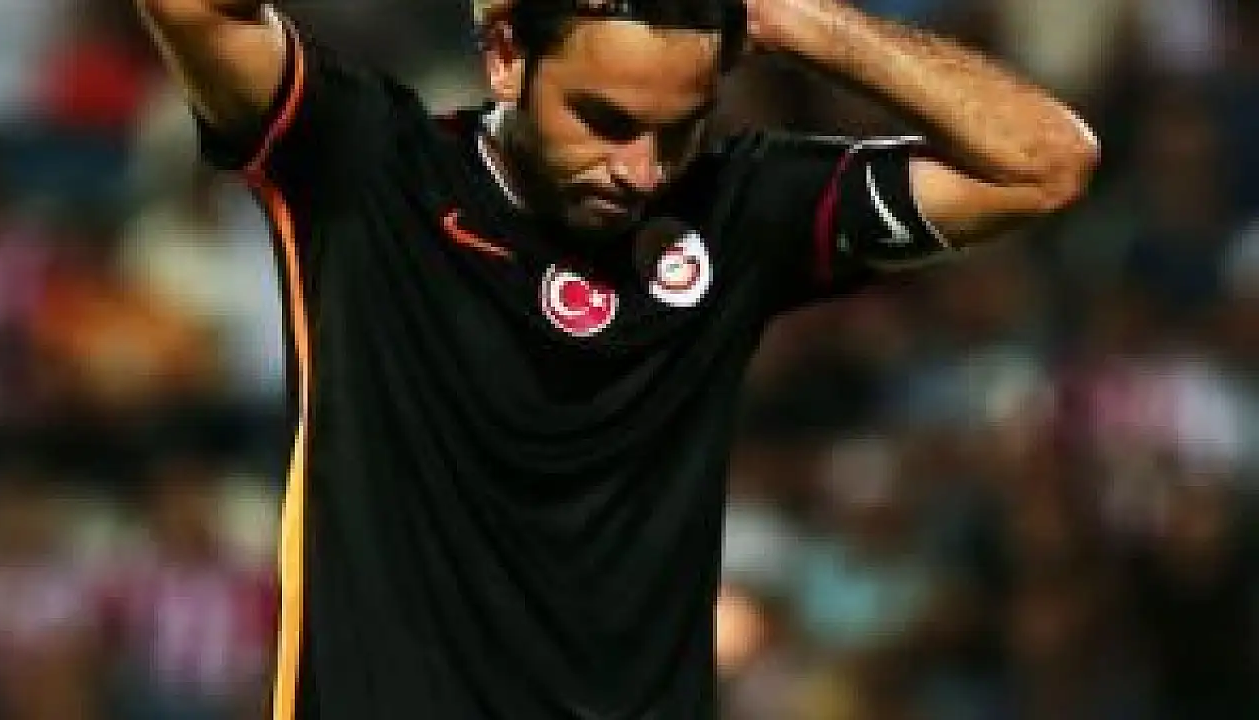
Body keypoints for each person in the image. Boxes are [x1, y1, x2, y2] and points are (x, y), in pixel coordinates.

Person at [134, 0, 1099, 718]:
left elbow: (1047, 163)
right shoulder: (369, 174)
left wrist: (796, 20)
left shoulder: (737, 213)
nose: (640, 170)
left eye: (680, 130)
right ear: (506, 54)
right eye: (604, 120)